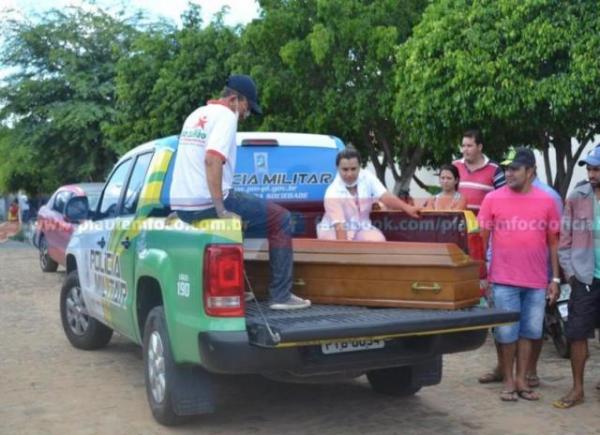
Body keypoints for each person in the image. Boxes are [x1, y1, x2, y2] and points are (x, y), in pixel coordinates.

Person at [168, 74, 310, 310]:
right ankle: (281, 296)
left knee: (241, 219)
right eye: (246, 107)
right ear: (234, 99)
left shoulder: (196, 115)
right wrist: (221, 209)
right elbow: (212, 160)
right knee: (281, 219)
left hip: (184, 206)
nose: (246, 114)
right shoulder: (225, 116)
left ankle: (235, 289)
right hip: (207, 202)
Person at [478, 147, 560, 402]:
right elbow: (482, 239)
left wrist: (555, 279)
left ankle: (522, 379)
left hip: (536, 281)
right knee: (506, 333)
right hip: (503, 280)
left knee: (530, 332)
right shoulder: (493, 199)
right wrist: (483, 274)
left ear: (530, 171)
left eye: (514, 169)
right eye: (506, 168)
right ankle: (508, 380)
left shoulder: (546, 201)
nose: (508, 173)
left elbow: (553, 242)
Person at [553, 146, 600, 409]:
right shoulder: (577, 196)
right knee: (577, 333)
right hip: (584, 277)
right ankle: (577, 389)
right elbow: (565, 240)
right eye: (590, 169)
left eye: (596, 169)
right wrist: (570, 273)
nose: (592, 174)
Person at [317, 148, 420, 241]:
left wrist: (408, 208)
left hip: (362, 228)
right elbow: (340, 230)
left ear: (359, 167)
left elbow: (385, 196)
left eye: (353, 169)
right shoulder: (331, 193)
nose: (349, 174)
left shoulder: (367, 177)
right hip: (333, 233)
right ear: (337, 168)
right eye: (345, 169)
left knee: (377, 241)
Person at [453, 129, 506, 214]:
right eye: (463, 146)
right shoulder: (454, 166)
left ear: (479, 147)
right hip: (455, 224)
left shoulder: (495, 169)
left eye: (469, 146)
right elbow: (445, 193)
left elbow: (503, 199)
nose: (465, 150)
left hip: (483, 225)